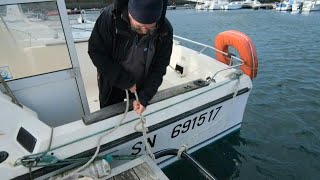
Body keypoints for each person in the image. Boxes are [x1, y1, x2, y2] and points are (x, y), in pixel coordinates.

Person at [88, 0, 173, 115]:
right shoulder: (109, 17)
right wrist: (123, 80)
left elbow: (160, 66)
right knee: (110, 117)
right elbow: (96, 51)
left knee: (136, 114)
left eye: (150, 29)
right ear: (129, 13)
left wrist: (145, 97)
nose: (144, 32)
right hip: (111, 81)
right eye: (138, 27)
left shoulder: (165, 30)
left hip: (141, 84)